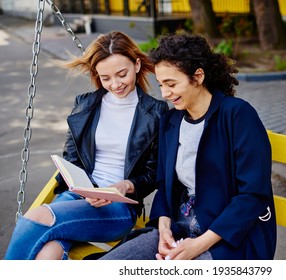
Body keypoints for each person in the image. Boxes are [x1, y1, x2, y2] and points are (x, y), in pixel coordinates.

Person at [99, 33, 276, 260]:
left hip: (232, 238)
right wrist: (163, 230)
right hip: (181, 229)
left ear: (198, 76)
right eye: (161, 84)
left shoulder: (237, 115)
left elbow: (252, 195)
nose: (164, 93)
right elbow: (164, 186)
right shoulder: (171, 121)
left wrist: (198, 245)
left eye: (172, 84)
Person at [4, 31, 169, 260]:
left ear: (137, 65)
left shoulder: (155, 113)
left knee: (37, 217)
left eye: (122, 74)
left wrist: (125, 186)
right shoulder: (84, 105)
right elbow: (71, 160)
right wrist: (82, 187)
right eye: (106, 78)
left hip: (117, 207)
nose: (115, 84)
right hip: (76, 197)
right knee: (47, 254)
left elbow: (154, 174)